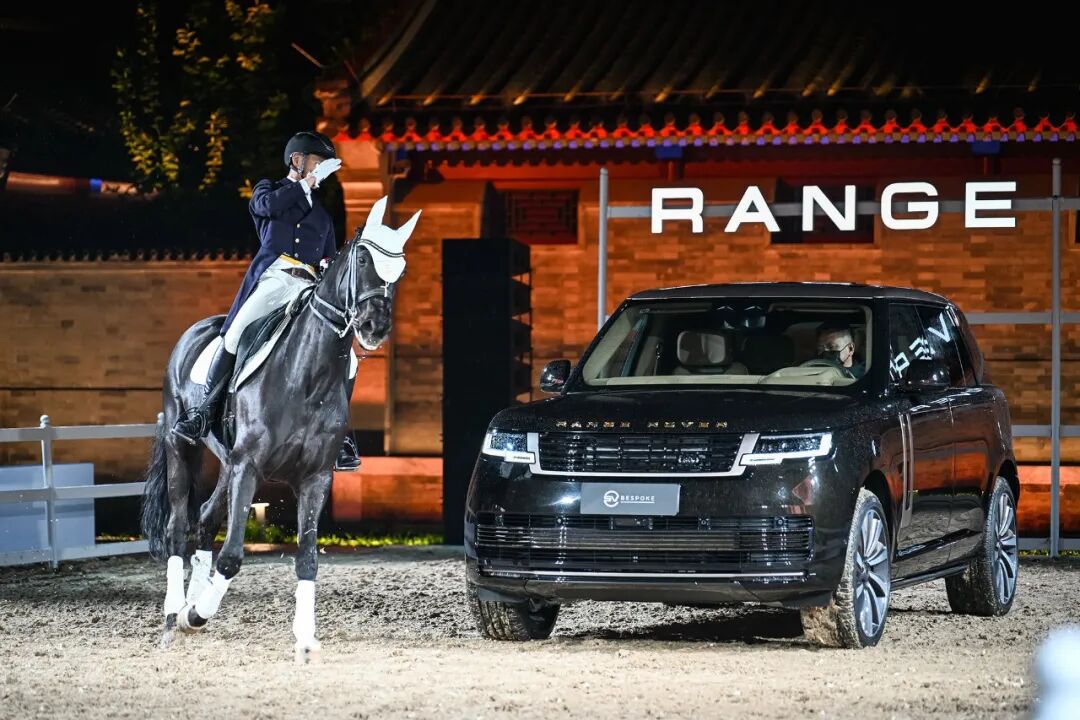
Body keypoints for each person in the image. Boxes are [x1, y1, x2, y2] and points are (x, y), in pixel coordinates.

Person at [172, 130, 361, 470]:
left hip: (308, 287)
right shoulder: (269, 191)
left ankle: (341, 435)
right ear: (297, 160)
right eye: (316, 162)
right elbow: (265, 207)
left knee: (347, 357)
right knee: (234, 334)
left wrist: (332, 268)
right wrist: (307, 183)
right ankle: (203, 413)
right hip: (275, 280)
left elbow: (329, 257)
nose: (321, 171)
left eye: (325, 165)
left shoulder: (322, 216)